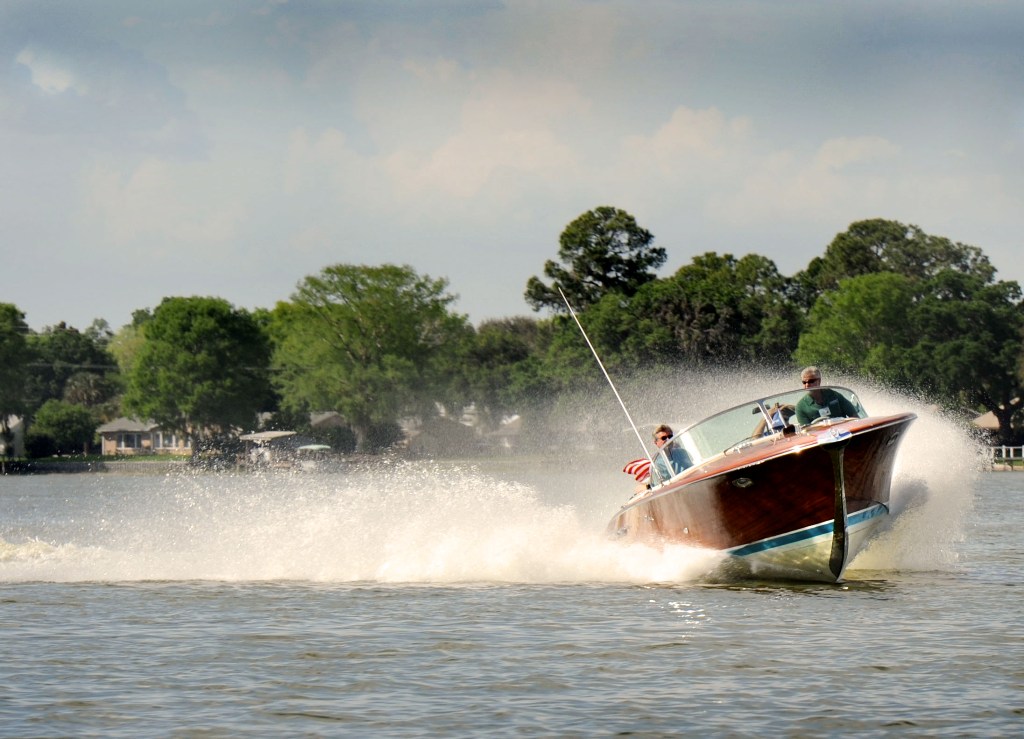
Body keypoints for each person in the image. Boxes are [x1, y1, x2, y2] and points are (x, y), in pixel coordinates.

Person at [794, 366, 860, 425]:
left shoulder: (834, 395)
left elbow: (854, 416)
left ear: (819, 381)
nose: (807, 385)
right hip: (820, 437)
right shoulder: (800, 407)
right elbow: (806, 432)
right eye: (804, 382)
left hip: (844, 432)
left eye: (811, 381)